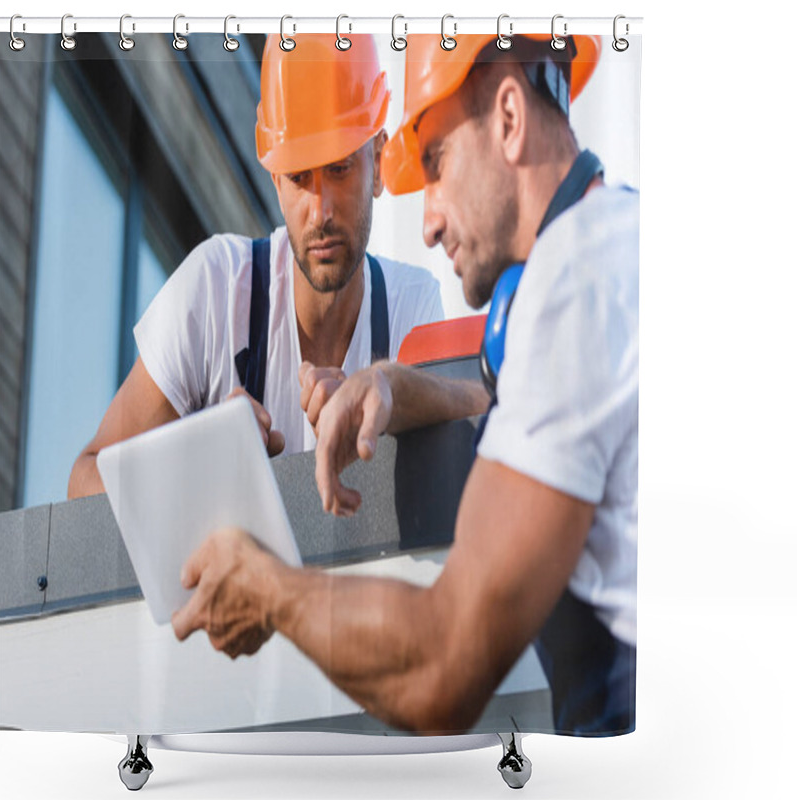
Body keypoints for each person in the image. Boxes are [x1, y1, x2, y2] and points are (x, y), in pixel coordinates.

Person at [172, 33, 638, 736]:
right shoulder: (615, 244)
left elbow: (443, 668)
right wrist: (398, 384)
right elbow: (517, 413)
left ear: (509, 118)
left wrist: (268, 590)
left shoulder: (570, 289)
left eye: (438, 164)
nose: (427, 223)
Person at [68, 34, 446, 498]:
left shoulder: (413, 311)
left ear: (379, 161)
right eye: (298, 177)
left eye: (340, 168)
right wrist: (190, 461)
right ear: (274, 180)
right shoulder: (215, 290)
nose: (320, 209)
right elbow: (83, 482)